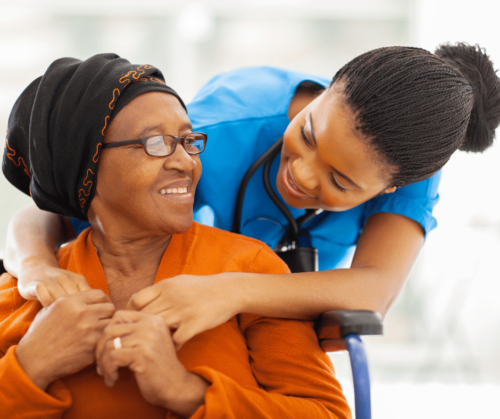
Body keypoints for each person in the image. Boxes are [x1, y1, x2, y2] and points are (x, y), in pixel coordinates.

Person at [4, 44, 500, 348]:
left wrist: (229, 289)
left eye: (341, 182)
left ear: (390, 187)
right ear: (325, 92)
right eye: (306, 134)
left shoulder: (406, 164)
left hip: (254, 333)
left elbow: (374, 289)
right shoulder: (219, 130)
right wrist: (37, 269)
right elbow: (44, 214)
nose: (302, 175)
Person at [0, 54, 350, 418]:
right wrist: (30, 366)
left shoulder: (250, 267)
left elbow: (326, 413)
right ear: (85, 167)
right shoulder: (24, 294)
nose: (186, 161)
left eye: (188, 140)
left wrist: (183, 391)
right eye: (155, 143)